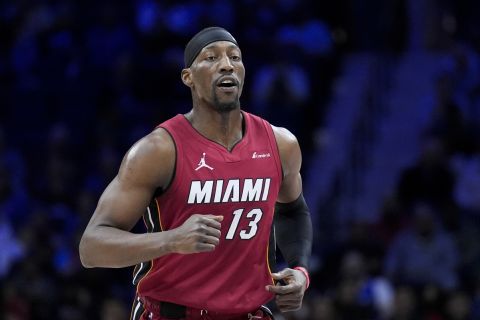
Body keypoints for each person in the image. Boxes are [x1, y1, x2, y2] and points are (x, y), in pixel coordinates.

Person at [79, 26, 313, 320]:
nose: (227, 64)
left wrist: (300, 270)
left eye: (235, 57)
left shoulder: (281, 144)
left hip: (249, 312)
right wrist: (173, 240)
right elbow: (92, 247)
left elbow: (293, 210)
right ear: (188, 77)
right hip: (171, 312)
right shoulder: (159, 150)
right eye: (211, 58)